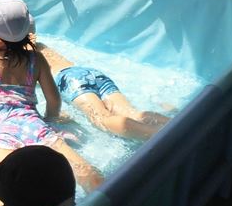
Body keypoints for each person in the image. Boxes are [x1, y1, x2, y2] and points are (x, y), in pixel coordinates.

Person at [0, 0, 102, 191]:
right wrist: (49, 120)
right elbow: (53, 99)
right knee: (79, 166)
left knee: (2, 178)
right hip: (33, 124)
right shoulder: (36, 59)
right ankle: (104, 192)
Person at [40, 45, 168, 140]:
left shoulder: (29, 55)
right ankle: (171, 123)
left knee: (102, 119)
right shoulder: (41, 45)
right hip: (89, 72)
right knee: (131, 112)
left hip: (68, 79)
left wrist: (52, 115)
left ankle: (155, 134)